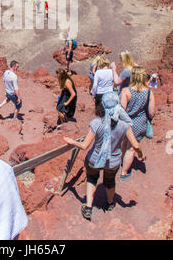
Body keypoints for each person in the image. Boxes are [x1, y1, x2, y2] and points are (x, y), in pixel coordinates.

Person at [63, 91, 144, 221]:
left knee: (91, 178)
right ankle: (110, 203)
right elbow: (135, 145)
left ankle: (88, 207)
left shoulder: (96, 123)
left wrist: (72, 142)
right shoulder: (125, 125)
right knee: (110, 181)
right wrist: (140, 155)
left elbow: (84, 146)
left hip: (94, 160)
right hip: (113, 161)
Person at [120, 66, 155, 180]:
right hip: (139, 124)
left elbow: (121, 110)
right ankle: (124, 172)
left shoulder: (125, 91)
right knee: (131, 148)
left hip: (126, 123)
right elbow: (151, 113)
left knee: (125, 142)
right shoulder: (149, 93)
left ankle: (122, 162)